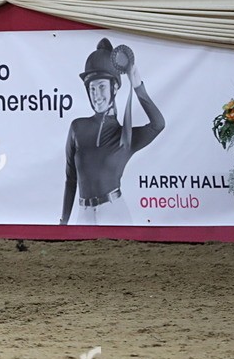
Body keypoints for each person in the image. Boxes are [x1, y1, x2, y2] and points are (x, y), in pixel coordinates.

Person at [60, 38, 166, 225]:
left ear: (114, 87)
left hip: (114, 212)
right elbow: (70, 179)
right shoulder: (77, 127)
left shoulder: (125, 136)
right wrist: (63, 222)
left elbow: (158, 124)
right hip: (83, 214)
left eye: (101, 87)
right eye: (92, 88)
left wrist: (137, 85)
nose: (96, 95)